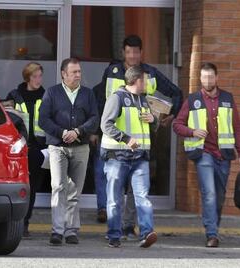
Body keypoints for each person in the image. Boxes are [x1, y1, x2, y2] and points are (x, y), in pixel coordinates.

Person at [94, 35, 183, 238]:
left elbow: (176, 92)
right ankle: (111, 225)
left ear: (141, 53)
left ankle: (130, 227)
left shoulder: (150, 73)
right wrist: (96, 131)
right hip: (114, 141)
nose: (132, 55)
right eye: (128, 52)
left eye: (136, 52)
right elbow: (100, 100)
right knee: (112, 188)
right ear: (123, 53)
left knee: (137, 192)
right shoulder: (112, 71)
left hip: (141, 142)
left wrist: (170, 116)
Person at [173, 62, 240, 247]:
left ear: (217, 78)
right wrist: (192, 132)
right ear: (200, 79)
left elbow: (237, 128)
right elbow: (177, 124)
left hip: (224, 155)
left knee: (220, 196)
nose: (207, 80)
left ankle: (213, 226)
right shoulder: (192, 100)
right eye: (204, 77)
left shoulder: (228, 99)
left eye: (211, 77)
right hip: (203, 153)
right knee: (210, 193)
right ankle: (211, 234)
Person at [39, 58, 99, 246]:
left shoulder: (87, 94)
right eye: (74, 72)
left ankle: (71, 230)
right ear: (63, 74)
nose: (78, 75)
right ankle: (57, 231)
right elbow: (43, 119)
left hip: (80, 148)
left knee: (74, 190)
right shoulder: (52, 93)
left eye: (79, 72)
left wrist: (78, 132)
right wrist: (63, 132)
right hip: (58, 147)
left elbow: (95, 118)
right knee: (58, 186)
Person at [101, 65, 158, 248]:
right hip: (117, 156)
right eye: (146, 79)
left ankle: (147, 233)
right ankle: (114, 236)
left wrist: (154, 120)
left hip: (140, 157)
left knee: (142, 196)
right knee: (114, 199)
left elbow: (151, 128)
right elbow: (105, 125)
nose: (148, 83)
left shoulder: (143, 100)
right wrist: (126, 139)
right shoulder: (116, 98)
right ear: (138, 80)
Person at [6, 62, 47, 237]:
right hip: (20, 148)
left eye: (40, 76)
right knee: (18, 186)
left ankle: (25, 223)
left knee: (32, 188)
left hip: (38, 149)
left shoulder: (46, 96)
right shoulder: (15, 96)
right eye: (35, 76)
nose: (38, 79)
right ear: (27, 77)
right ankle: (16, 222)